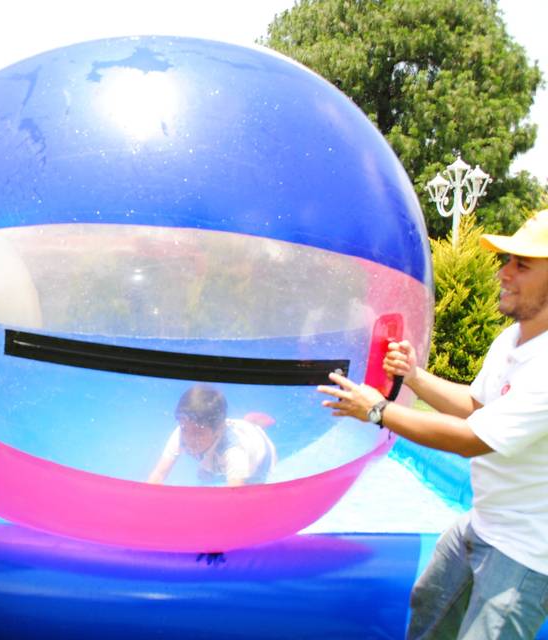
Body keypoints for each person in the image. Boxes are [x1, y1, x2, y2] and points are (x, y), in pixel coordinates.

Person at [317, 210, 548, 639]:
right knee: (429, 609)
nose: (504, 273)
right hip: (483, 522)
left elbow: (472, 439)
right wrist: (414, 376)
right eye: (507, 260)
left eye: (522, 264)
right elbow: (476, 406)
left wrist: (377, 411)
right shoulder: (512, 339)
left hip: (527, 552)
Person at [148, 383, 277, 486]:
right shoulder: (183, 432)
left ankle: (255, 425)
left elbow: (235, 497)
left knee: (254, 489)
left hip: (261, 457)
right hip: (229, 435)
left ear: (218, 430)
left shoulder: (234, 452)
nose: (189, 439)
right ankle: (248, 423)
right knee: (206, 475)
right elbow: (159, 474)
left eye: (198, 432)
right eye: (184, 428)